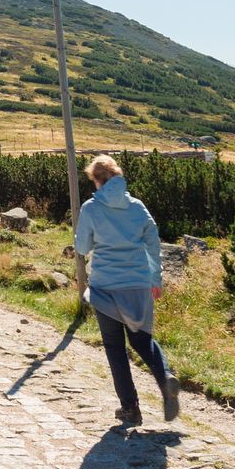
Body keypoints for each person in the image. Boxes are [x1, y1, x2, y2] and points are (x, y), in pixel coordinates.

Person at [73, 155, 180, 428]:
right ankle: (165, 376)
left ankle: (130, 408)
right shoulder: (137, 207)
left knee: (114, 347)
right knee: (142, 340)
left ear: (96, 180)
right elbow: (153, 244)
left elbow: (83, 248)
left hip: (106, 287)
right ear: (117, 177)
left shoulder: (91, 208)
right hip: (138, 284)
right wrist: (156, 280)